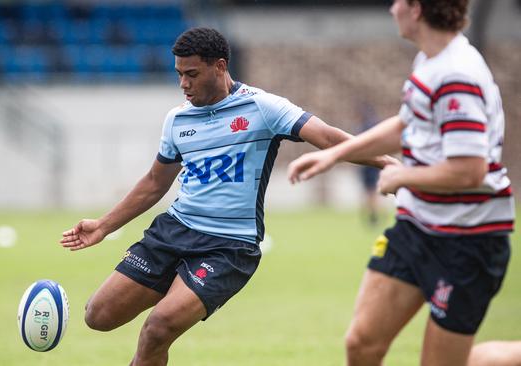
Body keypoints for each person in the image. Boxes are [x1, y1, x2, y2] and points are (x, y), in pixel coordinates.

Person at [60, 27, 392, 365]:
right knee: (98, 316)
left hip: (229, 246)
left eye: (191, 74)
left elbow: (330, 138)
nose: (183, 84)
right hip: (174, 231)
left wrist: (390, 165)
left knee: (158, 328)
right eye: (179, 75)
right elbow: (153, 183)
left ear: (219, 66)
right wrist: (103, 225)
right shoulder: (177, 120)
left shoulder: (263, 108)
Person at [287, 1, 516, 365]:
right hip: (417, 229)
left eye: (398, 2)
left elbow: (469, 171)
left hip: (468, 242)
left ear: (417, 9)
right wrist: (336, 153)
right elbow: (405, 124)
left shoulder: (458, 75)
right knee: (361, 343)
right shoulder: (430, 61)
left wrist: (402, 176)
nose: (392, 8)